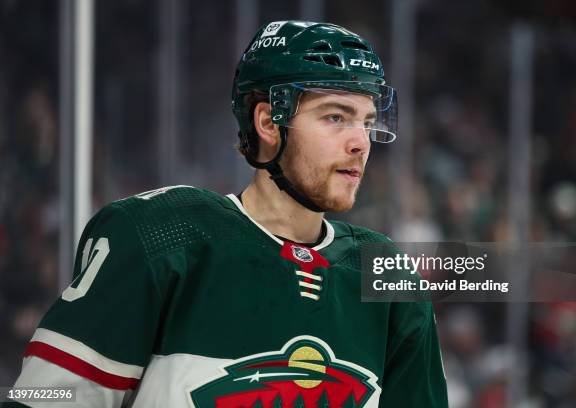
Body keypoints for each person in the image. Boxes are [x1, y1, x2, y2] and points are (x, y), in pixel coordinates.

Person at [4, 21, 448, 407]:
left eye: (367, 121)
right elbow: (45, 397)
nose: (360, 143)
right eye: (336, 117)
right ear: (268, 123)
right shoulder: (160, 235)